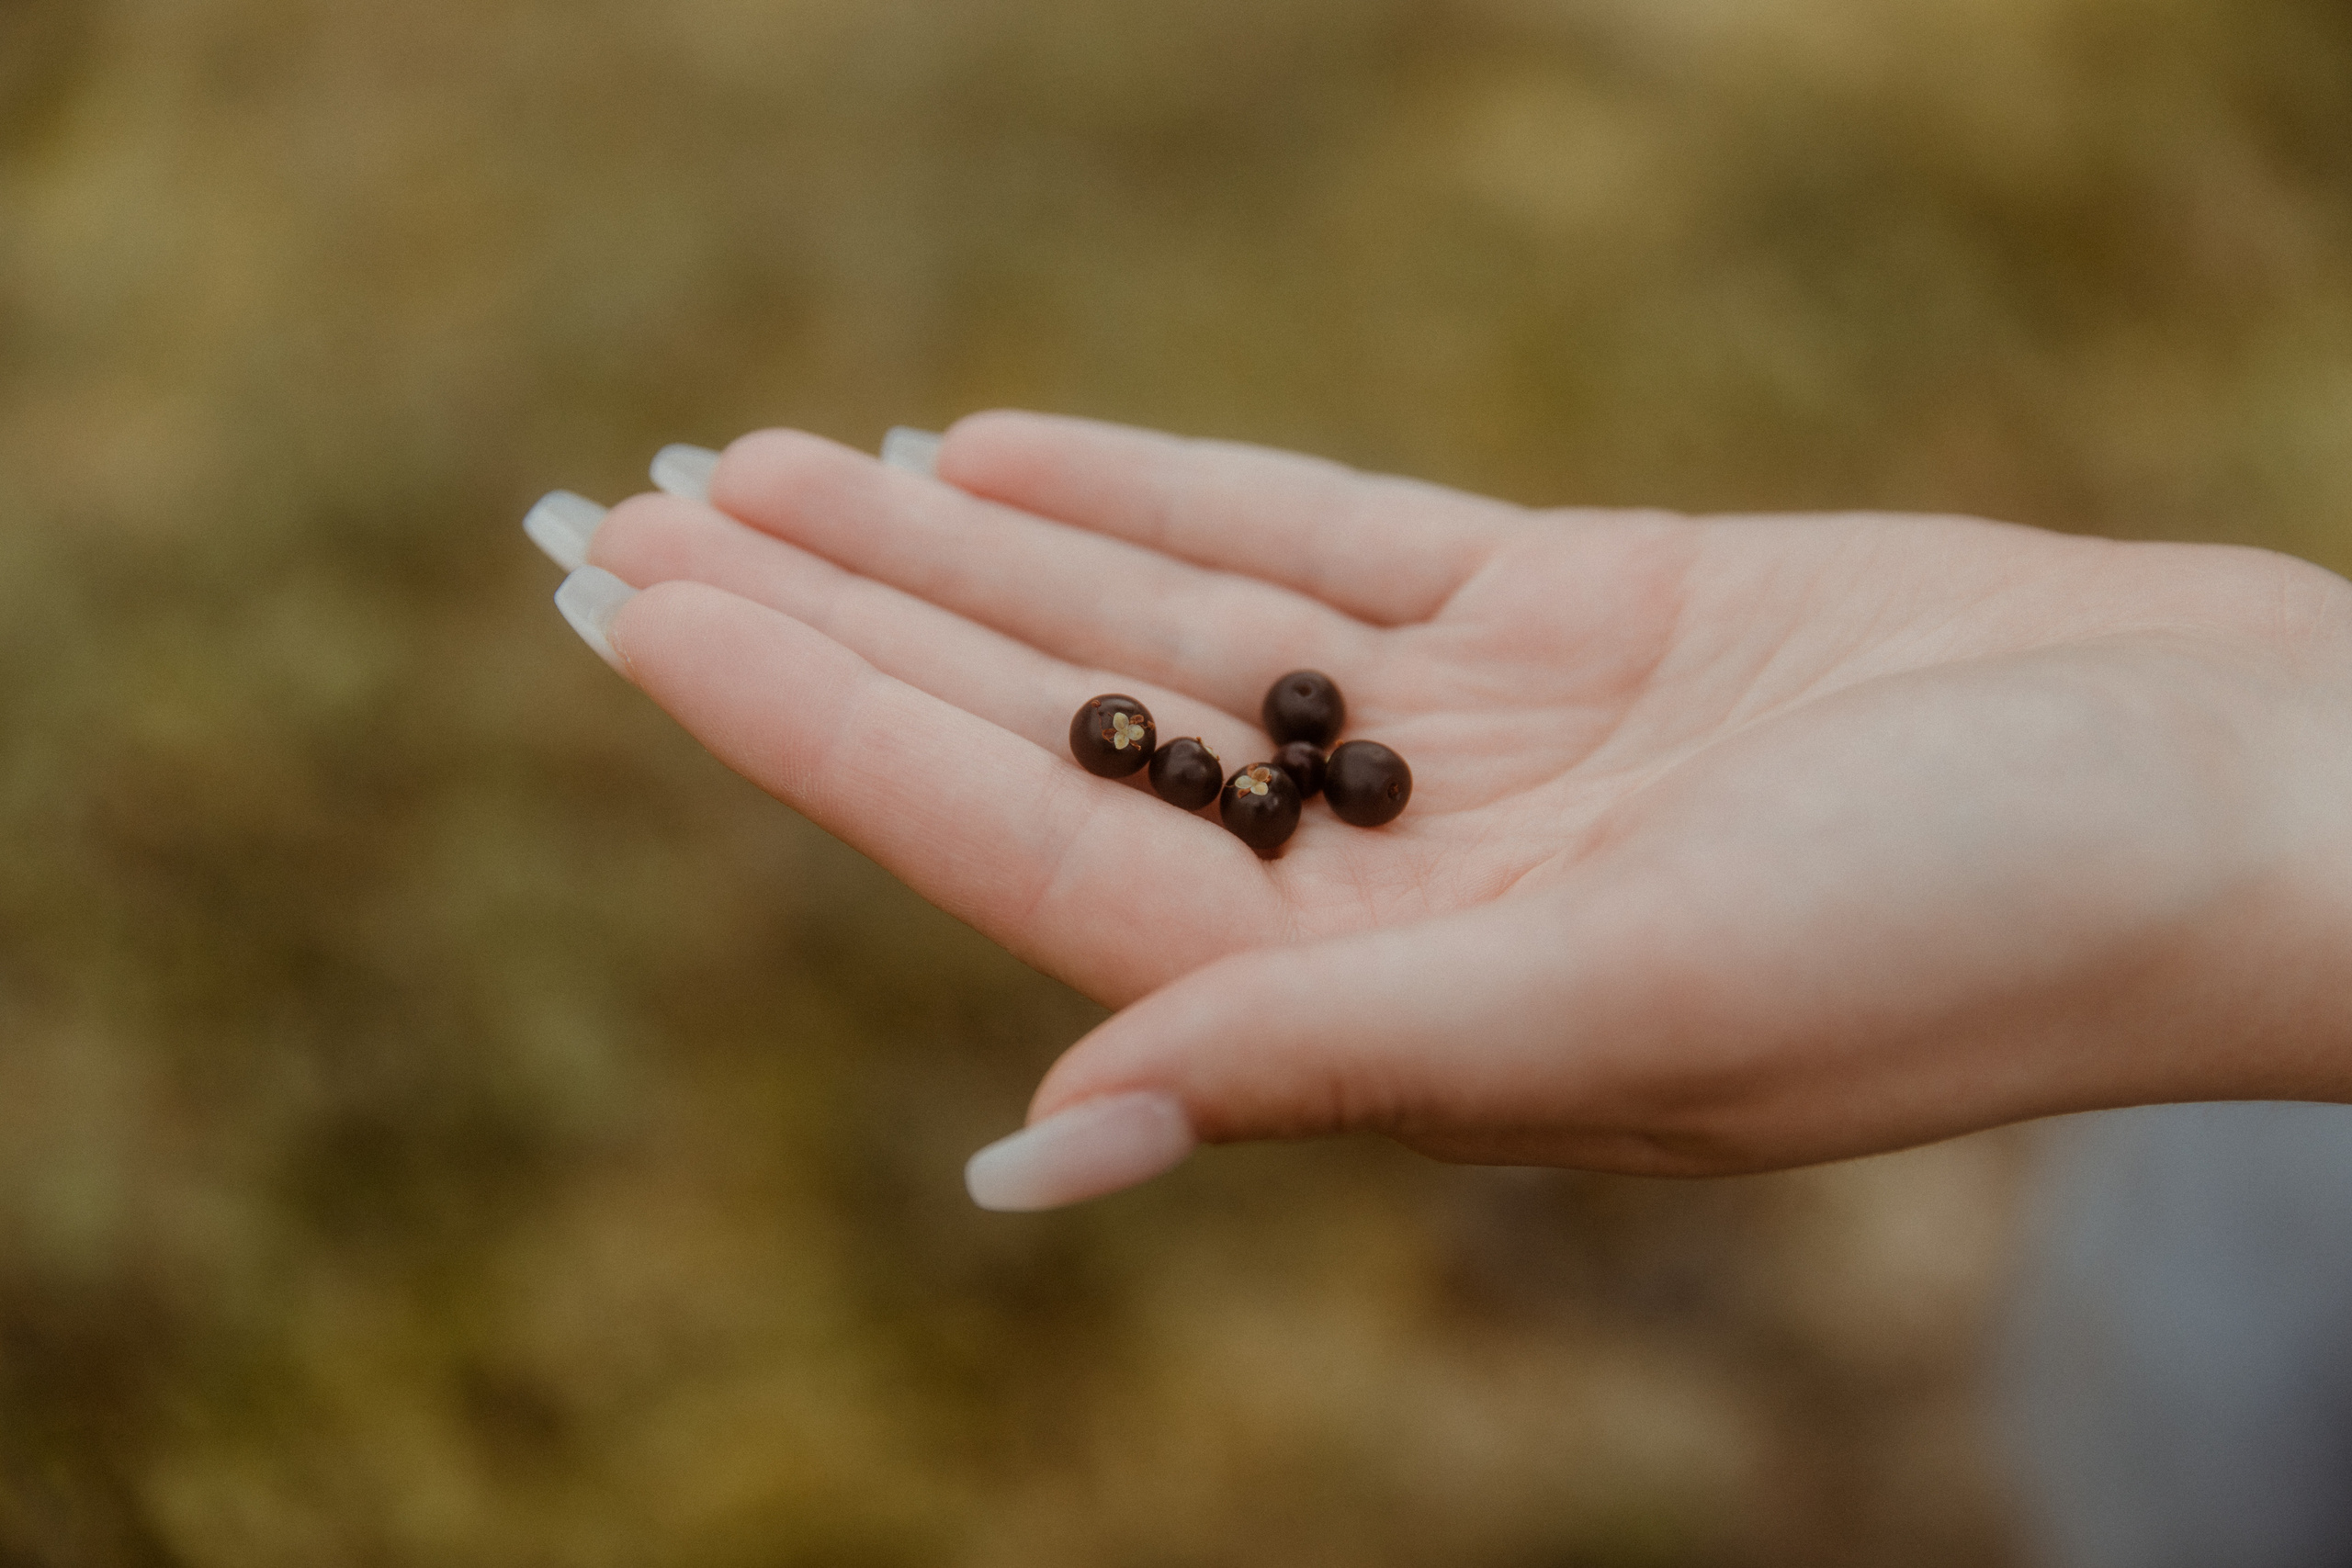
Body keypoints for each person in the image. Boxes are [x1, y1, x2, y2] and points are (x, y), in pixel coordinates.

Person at [519, 412, 2352, 1217]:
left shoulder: (1295, 765)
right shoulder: (1267, 761)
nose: (1284, 759)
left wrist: (2273, 797)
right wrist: (2280, 754)